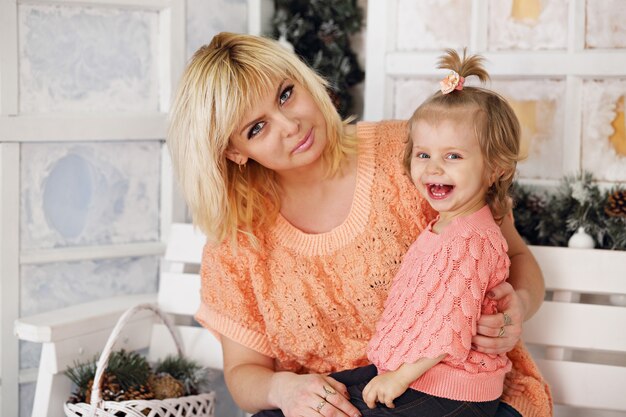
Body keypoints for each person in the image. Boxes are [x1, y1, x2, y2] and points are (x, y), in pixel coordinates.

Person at [166, 32, 552, 417]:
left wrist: (518, 304)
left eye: (285, 94)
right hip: (350, 402)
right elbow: (243, 372)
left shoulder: (416, 155)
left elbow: (512, 254)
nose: (290, 125)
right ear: (234, 151)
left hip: (461, 396)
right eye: (257, 128)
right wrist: (283, 389)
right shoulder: (238, 240)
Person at [325, 48, 524, 417]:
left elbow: (449, 328)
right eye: (423, 154)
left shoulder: (472, 239)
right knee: (331, 389)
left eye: (453, 156)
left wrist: (398, 378)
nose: (434, 168)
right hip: (418, 376)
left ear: (494, 168)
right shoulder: (444, 226)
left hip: (451, 391)